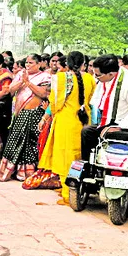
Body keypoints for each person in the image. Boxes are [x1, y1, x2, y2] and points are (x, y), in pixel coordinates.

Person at [38, 51, 96, 204]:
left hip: (65, 121)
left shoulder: (60, 78)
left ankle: (67, 193)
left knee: (64, 156)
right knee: (79, 154)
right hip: (83, 120)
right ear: (84, 64)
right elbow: (91, 99)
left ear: (66, 64)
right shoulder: (90, 78)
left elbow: (55, 103)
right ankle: (73, 187)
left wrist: (47, 116)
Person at [81, 55, 128, 157]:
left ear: (110, 74)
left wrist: (119, 127)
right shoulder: (107, 79)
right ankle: (88, 167)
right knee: (87, 132)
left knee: (109, 134)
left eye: (98, 75)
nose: (95, 77)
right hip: (110, 122)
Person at [0, 54, 51, 182]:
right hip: (20, 113)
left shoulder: (45, 76)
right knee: (14, 143)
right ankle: (12, 171)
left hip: (35, 114)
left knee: (30, 143)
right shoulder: (20, 75)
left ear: (39, 64)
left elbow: (44, 93)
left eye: (31, 63)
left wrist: (29, 83)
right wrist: (22, 81)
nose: (28, 65)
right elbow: (11, 91)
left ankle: (28, 173)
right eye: (27, 63)